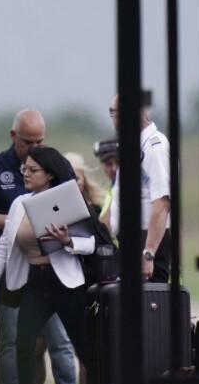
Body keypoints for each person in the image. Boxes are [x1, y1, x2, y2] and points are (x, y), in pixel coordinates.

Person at [0, 110, 77, 384]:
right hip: (14, 273)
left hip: (54, 271)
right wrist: (21, 220)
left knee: (61, 342)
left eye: (40, 141)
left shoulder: (58, 166)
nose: (34, 148)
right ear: (13, 136)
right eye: (28, 142)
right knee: (12, 341)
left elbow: (74, 205)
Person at [108, 92, 171, 283]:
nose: (111, 117)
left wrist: (148, 254)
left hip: (148, 240)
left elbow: (161, 203)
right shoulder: (135, 146)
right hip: (131, 239)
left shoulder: (154, 148)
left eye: (113, 111)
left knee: (149, 306)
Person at [64, 152, 104, 216]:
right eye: (68, 180)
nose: (73, 184)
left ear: (84, 178)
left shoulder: (98, 206)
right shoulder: (59, 208)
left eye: (77, 179)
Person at [92, 138, 119, 230]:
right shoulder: (112, 188)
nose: (114, 168)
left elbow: (105, 226)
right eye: (108, 164)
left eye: (118, 162)